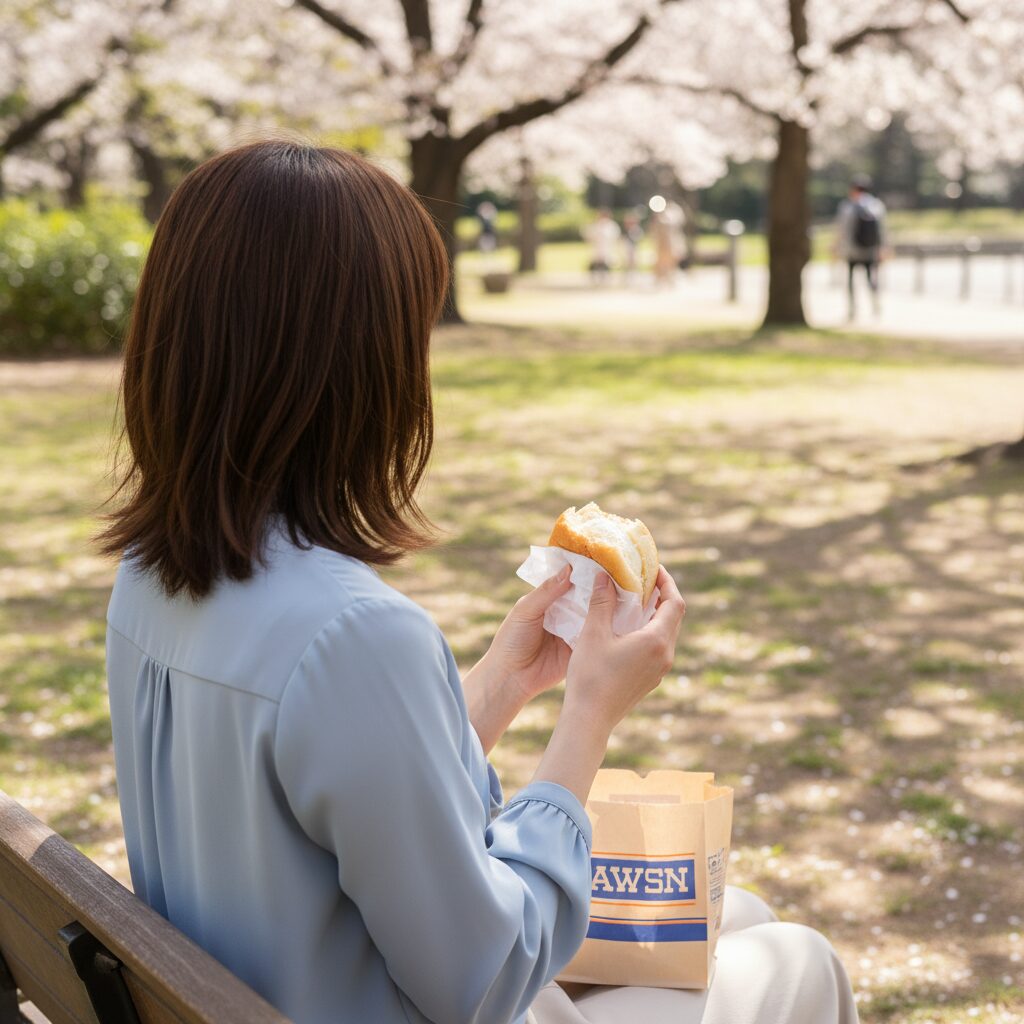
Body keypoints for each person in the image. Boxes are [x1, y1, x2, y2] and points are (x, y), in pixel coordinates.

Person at [100, 139, 858, 1024]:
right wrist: (588, 716)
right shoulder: (354, 634)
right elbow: (489, 974)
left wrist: (505, 680)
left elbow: (339, 795)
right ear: (357, 367)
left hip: (262, 995)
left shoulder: (148, 580)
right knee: (799, 958)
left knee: (742, 918)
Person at [835, 174, 887, 320]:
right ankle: (875, 306)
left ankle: (852, 310)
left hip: (852, 251)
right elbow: (882, 230)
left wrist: (837, 246)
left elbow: (842, 230)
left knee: (851, 281)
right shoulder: (876, 205)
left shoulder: (847, 206)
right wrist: (883, 248)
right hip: (870, 250)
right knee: (871, 279)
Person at [584, 209, 620, 283]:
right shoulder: (595, 225)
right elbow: (589, 236)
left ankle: (605, 277)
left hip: (607, 247)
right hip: (597, 247)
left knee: (607, 262)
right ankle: (596, 277)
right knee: (596, 262)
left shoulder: (611, 226)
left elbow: (614, 236)